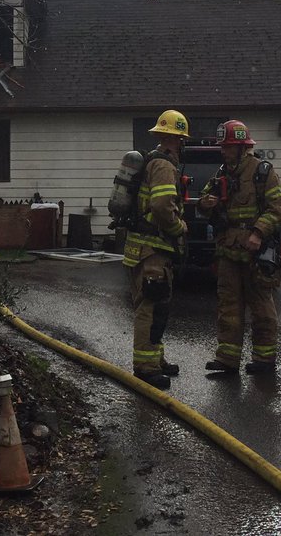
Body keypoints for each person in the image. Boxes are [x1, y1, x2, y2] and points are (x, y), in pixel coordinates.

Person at [197, 119, 281, 375]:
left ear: (241, 147)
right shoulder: (222, 173)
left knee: (261, 307)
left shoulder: (262, 172)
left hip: (255, 252)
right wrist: (207, 203)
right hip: (228, 251)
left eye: (228, 146)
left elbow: (278, 208)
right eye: (223, 146)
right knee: (228, 307)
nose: (222, 150)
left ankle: (264, 360)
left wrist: (258, 233)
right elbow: (203, 203)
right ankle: (227, 360)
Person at [121, 110, 189, 390]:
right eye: (181, 139)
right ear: (175, 139)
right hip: (152, 251)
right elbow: (162, 207)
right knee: (150, 308)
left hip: (146, 249)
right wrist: (179, 228)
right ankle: (146, 367)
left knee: (158, 306)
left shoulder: (151, 160)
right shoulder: (163, 166)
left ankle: (155, 359)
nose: (183, 144)